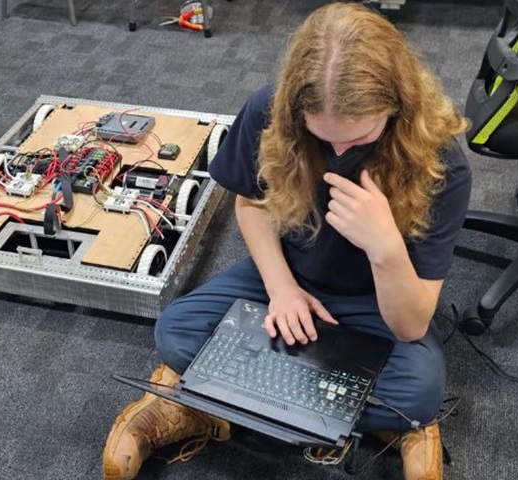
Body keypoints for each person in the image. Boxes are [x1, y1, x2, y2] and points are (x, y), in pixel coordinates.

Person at [102, 3, 471, 480]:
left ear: (397, 105)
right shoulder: (269, 112)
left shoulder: (440, 161)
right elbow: (249, 205)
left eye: (359, 137)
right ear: (297, 109)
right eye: (323, 137)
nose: (339, 153)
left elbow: (409, 323)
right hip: (288, 275)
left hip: (377, 302)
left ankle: (215, 398)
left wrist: (384, 246)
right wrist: (282, 288)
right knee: (174, 331)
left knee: (418, 393)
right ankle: (346, 406)